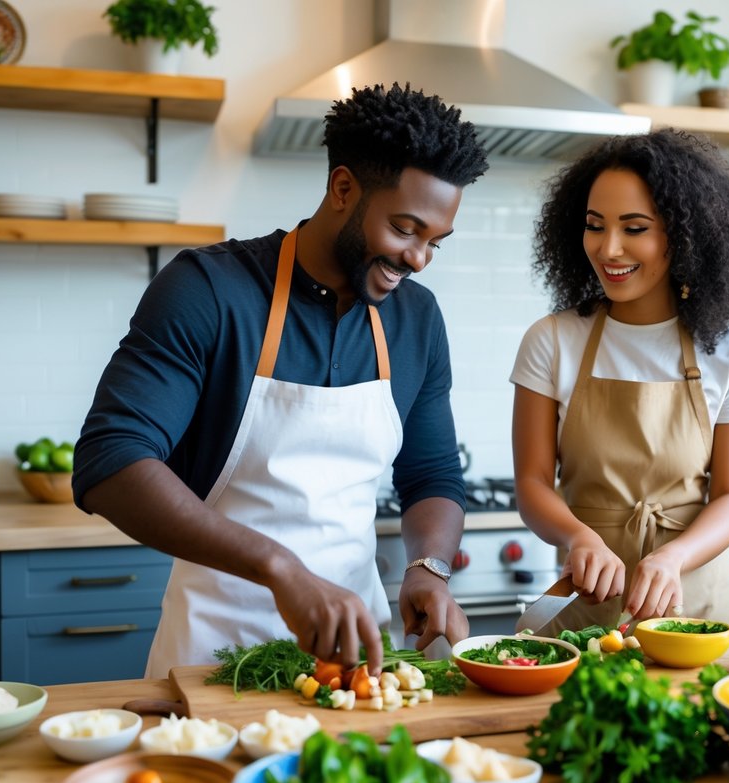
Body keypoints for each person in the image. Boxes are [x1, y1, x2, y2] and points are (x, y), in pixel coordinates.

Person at [73, 83, 490, 678]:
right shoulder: (209, 291)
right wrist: (281, 569)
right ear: (343, 189)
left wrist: (428, 567)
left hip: (357, 660)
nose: (418, 258)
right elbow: (110, 461)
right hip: (213, 657)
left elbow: (432, 475)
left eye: (434, 243)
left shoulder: (417, 320)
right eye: (405, 229)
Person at [510, 127, 729, 633]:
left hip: (700, 610)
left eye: (634, 228)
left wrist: (673, 558)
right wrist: (577, 537)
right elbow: (532, 483)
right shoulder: (552, 340)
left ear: (685, 234)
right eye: (594, 225)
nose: (608, 249)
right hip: (584, 606)